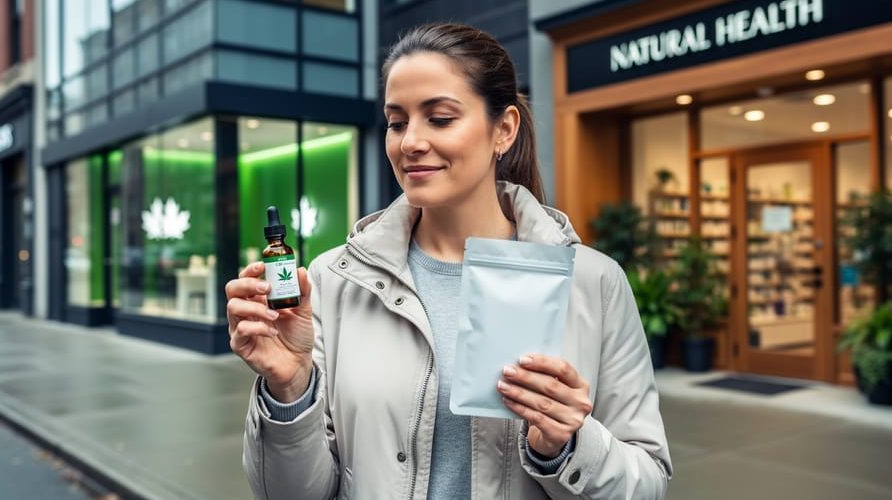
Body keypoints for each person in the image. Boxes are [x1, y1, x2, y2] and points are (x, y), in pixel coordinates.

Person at [225, 23, 672, 500]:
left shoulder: (593, 281)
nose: (410, 142)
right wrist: (290, 391)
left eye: (439, 118)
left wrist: (567, 446)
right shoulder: (333, 280)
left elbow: (647, 482)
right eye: (397, 123)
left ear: (503, 129)